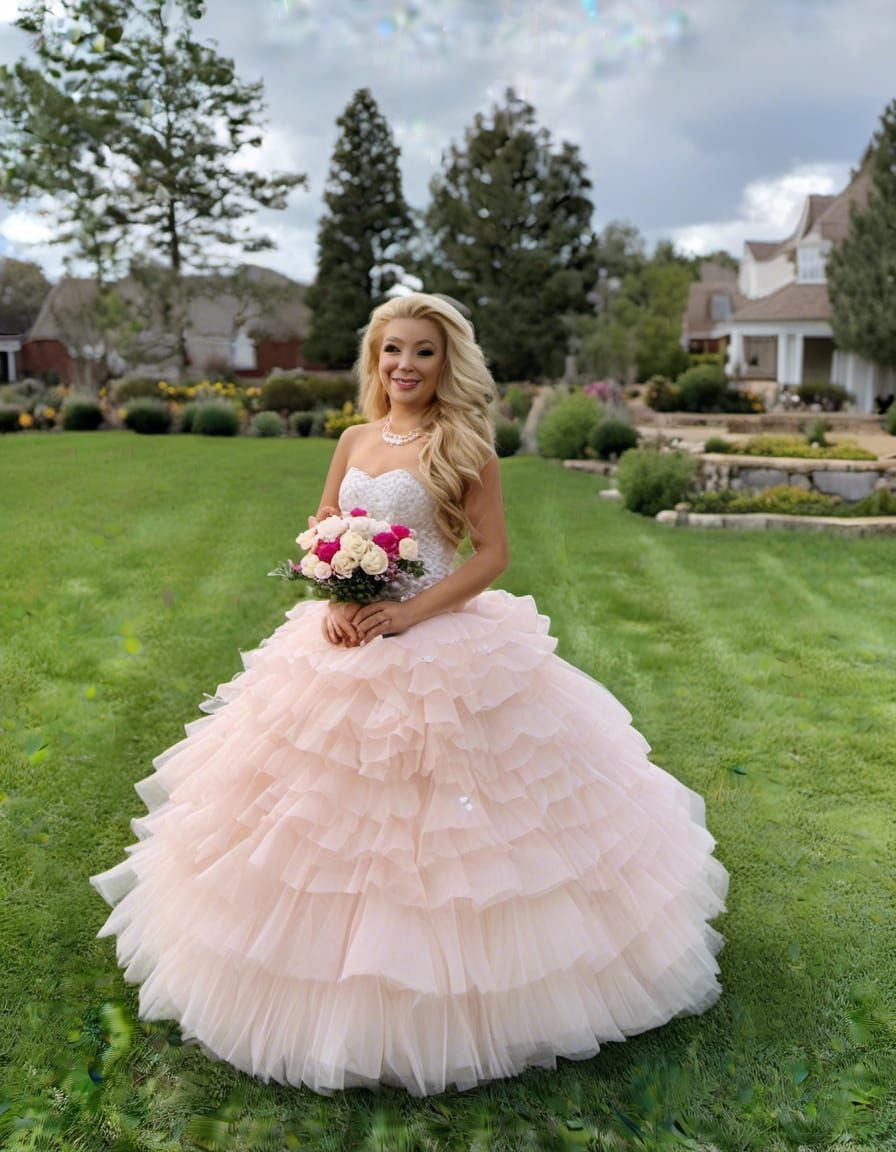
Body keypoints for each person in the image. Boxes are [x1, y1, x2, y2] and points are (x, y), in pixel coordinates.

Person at [89, 292, 730, 1098]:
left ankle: (461, 995)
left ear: (446, 362)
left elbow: (491, 556)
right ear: (375, 357)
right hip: (344, 635)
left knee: (444, 827)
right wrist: (335, 597)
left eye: (424, 351)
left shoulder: (464, 445)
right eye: (393, 349)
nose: (405, 365)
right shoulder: (354, 438)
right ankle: (321, 984)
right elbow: (325, 525)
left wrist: (406, 614)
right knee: (311, 819)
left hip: (433, 634)